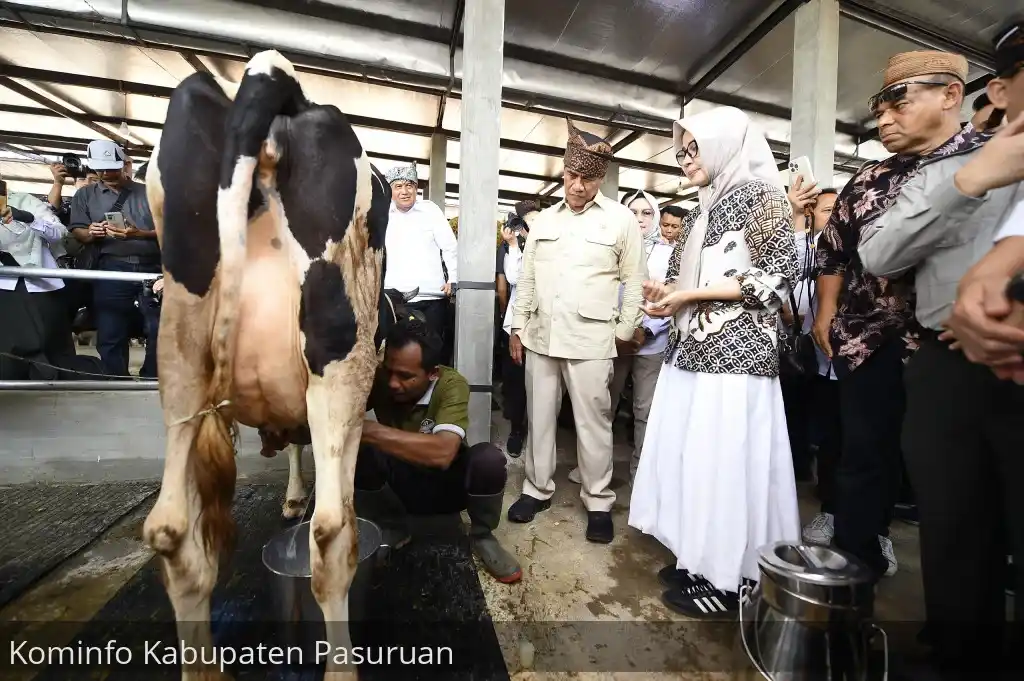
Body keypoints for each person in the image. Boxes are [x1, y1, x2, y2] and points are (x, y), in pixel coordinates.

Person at [863, 20, 1024, 676]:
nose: (886, 117)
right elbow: (878, 250)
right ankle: (960, 652)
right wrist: (972, 180)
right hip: (944, 367)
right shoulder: (949, 170)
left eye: (898, 99)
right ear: (1007, 91)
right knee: (953, 529)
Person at [813, 50, 978, 581]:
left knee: (955, 477)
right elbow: (834, 252)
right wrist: (827, 312)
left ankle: (958, 619)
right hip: (868, 339)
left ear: (950, 94)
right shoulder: (867, 181)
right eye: (878, 109)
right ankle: (854, 568)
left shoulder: (988, 163)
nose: (883, 119)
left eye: (897, 103)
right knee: (863, 454)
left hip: (952, 344)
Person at [629, 106, 800, 617]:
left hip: (737, 358)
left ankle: (729, 578)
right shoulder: (702, 208)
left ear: (724, 143)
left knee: (726, 465)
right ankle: (699, 558)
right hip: (690, 353)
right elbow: (686, 287)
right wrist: (666, 297)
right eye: (680, 151)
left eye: (693, 148)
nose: (685, 160)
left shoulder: (761, 195)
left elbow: (778, 275)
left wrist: (691, 296)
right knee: (693, 459)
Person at [507, 119, 646, 544]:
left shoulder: (622, 221)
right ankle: (536, 489)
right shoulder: (545, 221)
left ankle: (599, 499)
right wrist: (516, 325)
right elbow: (527, 281)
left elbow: (634, 280)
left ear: (601, 179)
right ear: (562, 173)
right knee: (540, 417)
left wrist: (624, 331)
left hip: (591, 340)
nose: (579, 186)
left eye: (588, 179)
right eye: (572, 176)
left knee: (594, 423)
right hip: (541, 336)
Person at [356, 318, 522, 584]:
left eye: (406, 376)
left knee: (488, 460)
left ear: (433, 373)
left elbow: (443, 452)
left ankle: (482, 536)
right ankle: (391, 526)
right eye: (389, 371)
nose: (394, 384)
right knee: (356, 451)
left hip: (447, 488)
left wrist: (371, 430)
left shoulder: (451, 384)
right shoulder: (381, 379)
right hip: (399, 488)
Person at [568, 188, 674, 484]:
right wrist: (621, 331)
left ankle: (641, 473)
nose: (639, 219)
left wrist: (645, 330)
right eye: (632, 212)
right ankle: (592, 470)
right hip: (612, 340)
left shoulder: (669, 254)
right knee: (602, 408)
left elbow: (673, 297)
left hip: (652, 342)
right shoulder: (610, 248)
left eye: (646, 212)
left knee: (645, 411)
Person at [69, 140, 160, 378]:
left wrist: (139, 233)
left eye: (111, 167)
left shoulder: (149, 194)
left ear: (125, 164)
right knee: (111, 329)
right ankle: (116, 378)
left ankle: (152, 376)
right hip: (111, 269)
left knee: (157, 328)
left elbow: (172, 232)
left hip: (151, 269)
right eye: (100, 168)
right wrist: (91, 232)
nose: (105, 173)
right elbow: (77, 230)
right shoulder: (85, 195)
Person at [382, 163, 459, 363]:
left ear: (417, 188)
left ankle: (431, 395)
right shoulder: (382, 214)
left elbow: (450, 247)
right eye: (398, 186)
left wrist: (454, 278)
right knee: (394, 356)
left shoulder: (430, 211)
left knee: (430, 357)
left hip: (431, 299)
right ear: (390, 189)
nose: (404, 191)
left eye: (409, 185)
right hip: (393, 300)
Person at [0, 183, 77, 379]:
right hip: (4, 285)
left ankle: (56, 384)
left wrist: (28, 218)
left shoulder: (25, 201)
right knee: (9, 343)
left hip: (41, 285)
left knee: (51, 342)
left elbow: (60, 233)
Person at [500, 202, 538, 456]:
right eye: (528, 224)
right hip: (519, 327)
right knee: (517, 384)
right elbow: (514, 279)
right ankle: (516, 430)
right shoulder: (517, 250)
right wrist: (514, 246)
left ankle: (540, 436)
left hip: (548, 327)